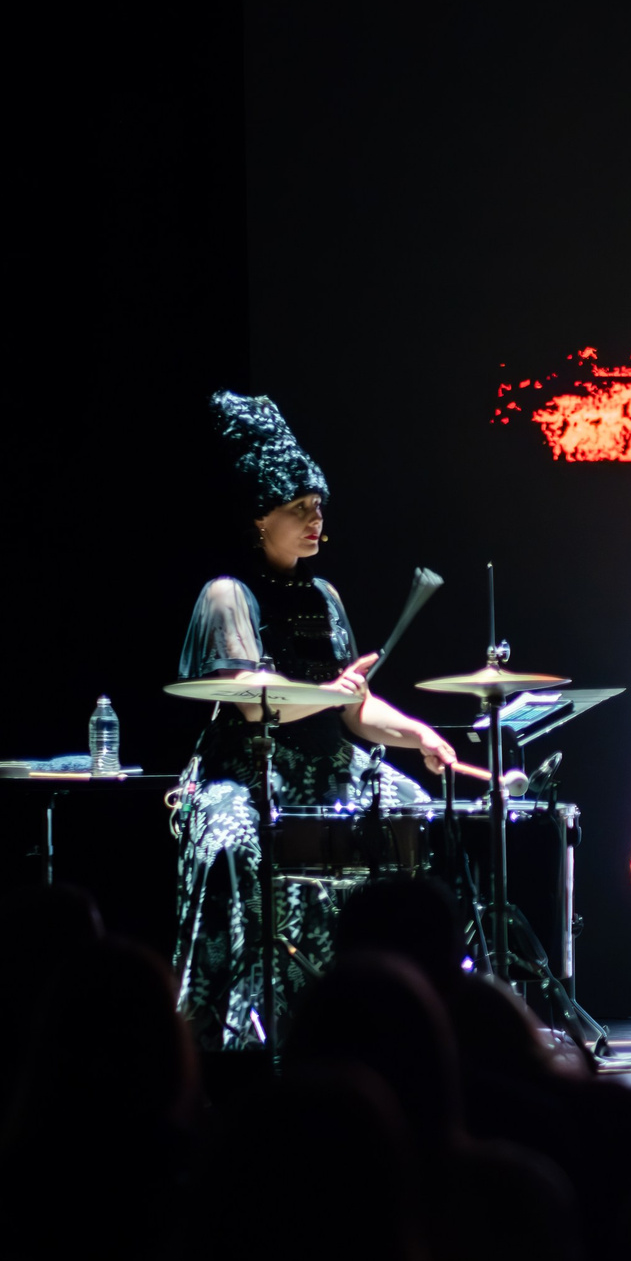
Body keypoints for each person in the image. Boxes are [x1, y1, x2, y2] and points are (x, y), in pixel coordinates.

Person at [171, 392, 457, 1048]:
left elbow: (352, 706)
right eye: (298, 510)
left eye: (317, 508)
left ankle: (395, 1008)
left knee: (411, 806)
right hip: (249, 769)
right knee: (236, 840)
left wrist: (417, 734)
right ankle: (242, 1029)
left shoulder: (323, 595)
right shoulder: (227, 594)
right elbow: (250, 700)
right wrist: (333, 694)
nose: (314, 521)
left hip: (328, 765)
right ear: (257, 517)